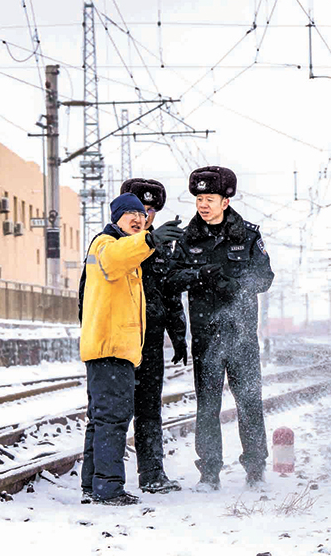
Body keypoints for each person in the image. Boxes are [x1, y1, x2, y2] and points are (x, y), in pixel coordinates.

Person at [168, 166, 275, 492]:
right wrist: (202, 276)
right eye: (199, 198)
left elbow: (265, 277)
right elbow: (171, 279)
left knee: (249, 402)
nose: (203, 204)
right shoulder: (187, 239)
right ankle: (209, 472)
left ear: (225, 201)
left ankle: (255, 469)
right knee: (207, 406)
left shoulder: (248, 235)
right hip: (206, 336)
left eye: (210, 198)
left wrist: (237, 286)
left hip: (241, 334)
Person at [79, 193, 184, 505]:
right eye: (131, 217)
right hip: (110, 349)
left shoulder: (128, 251)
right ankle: (108, 489)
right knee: (113, 419)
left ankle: (92, 484)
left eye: (143, 217)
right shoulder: (106, 244)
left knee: (101, 419)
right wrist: (150, 240)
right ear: (116, 219)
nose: (138, 221)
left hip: (113, 349)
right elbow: (115, 259)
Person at [119, 178, 187, 494]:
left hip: (151, 340)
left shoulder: (164, 246)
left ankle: (152, 474)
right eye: (138, 209)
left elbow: (171, 292)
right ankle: (106, 480)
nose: (144, 216)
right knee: (113, 412)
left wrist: (179, 334)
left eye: (150, 210)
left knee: (149, 410)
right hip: (119, 340)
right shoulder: (111, 243)